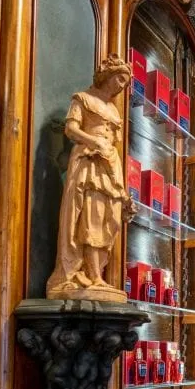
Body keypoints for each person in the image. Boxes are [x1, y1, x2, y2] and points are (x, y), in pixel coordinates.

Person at [46, 55, 135, 299]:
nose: (121, 86)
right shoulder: (82, 99)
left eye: (125, 83)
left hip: (110, 165)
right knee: (90, 216)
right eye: (119, 79)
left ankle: (97, 275)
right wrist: (93, 140)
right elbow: (71, 129)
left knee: (110, 219)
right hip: (89, 161)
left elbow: (114, 146)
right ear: (107, 76)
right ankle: (84, 273)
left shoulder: (114, 111)